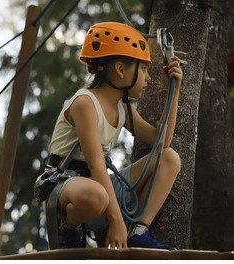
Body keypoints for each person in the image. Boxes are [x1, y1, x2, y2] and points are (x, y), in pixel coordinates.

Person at [43, 22, 183, 249]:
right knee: (97, 195)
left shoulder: (122, 108)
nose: (148, 78)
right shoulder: (85, 103)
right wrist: (116, 222)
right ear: (120, 69)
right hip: (65, 184)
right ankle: (68, 226)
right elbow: (97, 166)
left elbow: (162, 141)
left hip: (99, 186)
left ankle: (139, 230)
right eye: (144, 68)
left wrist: (173, 92)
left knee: (169, 157)